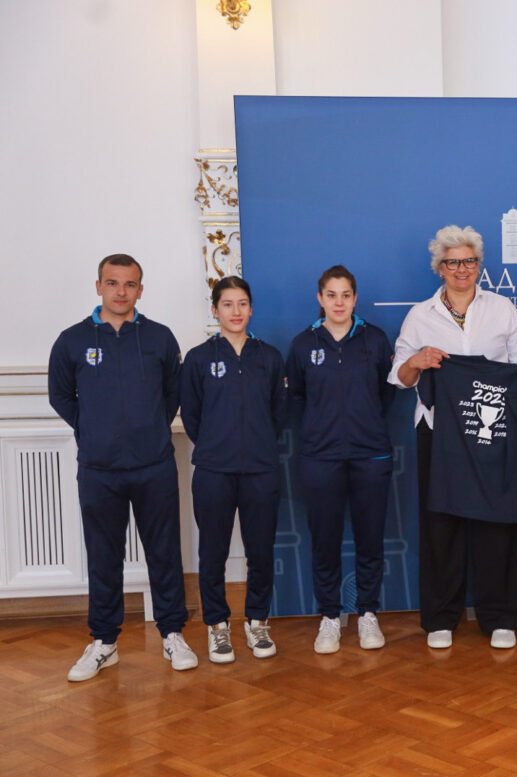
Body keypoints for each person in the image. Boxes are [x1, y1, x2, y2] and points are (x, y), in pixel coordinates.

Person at [48, 253, 197, 681]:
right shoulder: (72, 340)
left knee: (164, 552)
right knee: (103, 556)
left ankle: (172, 633)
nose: (120, 291)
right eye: (112, 283)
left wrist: (149, 429)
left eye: (129, 284)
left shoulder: (159, 337)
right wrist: (93, 430)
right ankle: (104, 641)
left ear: (140, 290)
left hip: (153, 465)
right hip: (99, 469)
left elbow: (173, 393)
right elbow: (61, 396)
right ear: (99, 286)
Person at [391, 225, 517, 651]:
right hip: (439, 434)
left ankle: (501, 616)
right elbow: (399, 376)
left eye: (469, 261)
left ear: (479, 265)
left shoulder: (502, 309)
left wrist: (500, 379)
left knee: (498, 523)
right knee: (442, 525)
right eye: (452, 262)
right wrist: (418, 361)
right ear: (440, 268)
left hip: (494, 431)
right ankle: (441, 617)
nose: (461, 269)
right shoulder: (420, 315)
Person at [285, 265, 396, 654]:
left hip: (370, 454)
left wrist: (365, 424)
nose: (339, 302)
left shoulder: (375, 339)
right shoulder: (303, 344)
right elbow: (297, 396)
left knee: (370, 539)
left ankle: (367, 612)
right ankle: (330, 616)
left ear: (355, 298)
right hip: (321, 457)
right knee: (325, 540)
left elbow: (386, 393)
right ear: (320, 299)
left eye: (345, 295)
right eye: (331, 295)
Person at [180, 276, 285, 662]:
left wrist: (257, 442)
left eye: (242, 303)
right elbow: (192, 415)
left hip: (261, 468)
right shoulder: (198, 359)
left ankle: (257, 622)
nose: (235, 311)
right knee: (213, 552)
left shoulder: (269, 356)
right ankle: (217, 626)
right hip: (214, 470)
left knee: (261, 550)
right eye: (227, 304)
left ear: (251, 308)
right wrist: (216, 445)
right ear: (215, 310)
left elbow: (278, 413)